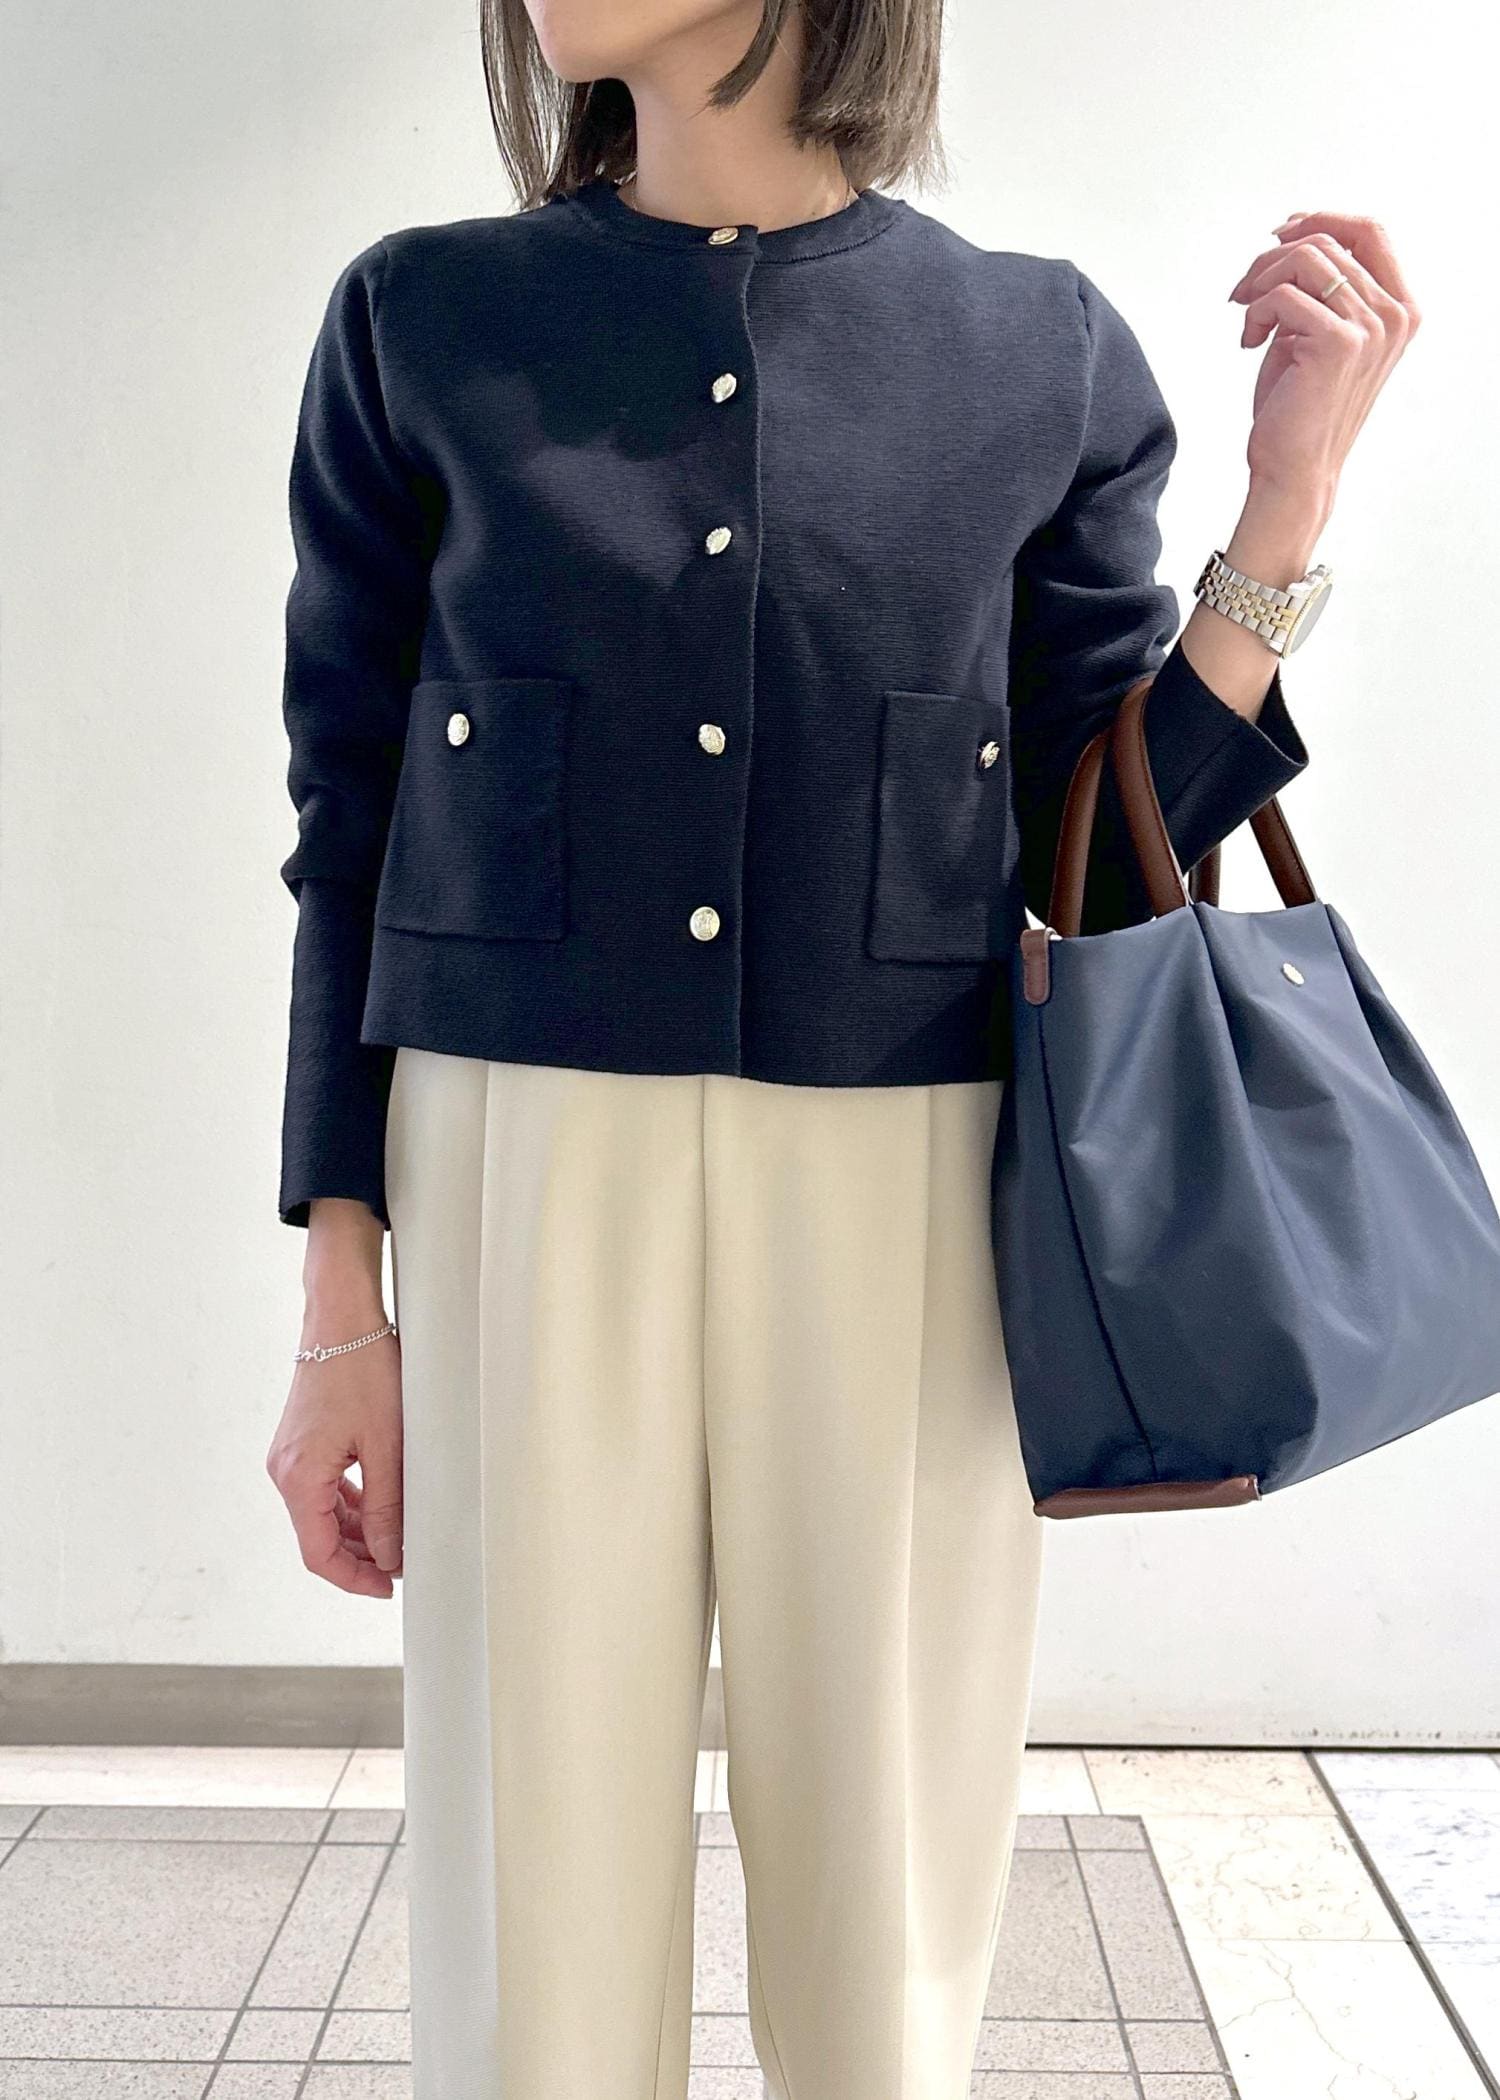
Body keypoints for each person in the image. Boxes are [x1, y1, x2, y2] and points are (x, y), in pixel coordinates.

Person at [263, 3, 1417, 2093]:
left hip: (908, 1170)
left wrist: (1286, 507)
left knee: (887, 1864)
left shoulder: (1038, 353)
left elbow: (1104, 860)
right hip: (522, 1150)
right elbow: (348, 827)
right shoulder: (423, 324)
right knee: (534, 1872)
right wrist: (342, 1304)